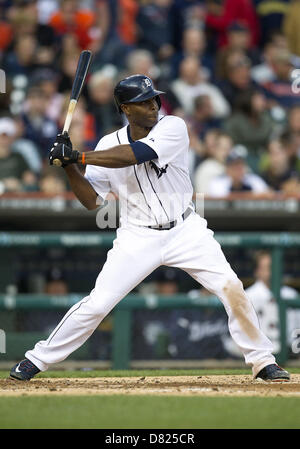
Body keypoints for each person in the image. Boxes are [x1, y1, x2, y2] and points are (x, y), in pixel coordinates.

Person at [10, 74, 290, 382]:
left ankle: (262, 360)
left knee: (231, 286)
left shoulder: (173, 127)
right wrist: (69, 167)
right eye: (143, 102)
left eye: (154, 98)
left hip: (186, 229)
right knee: (98, 303)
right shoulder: (107, 144)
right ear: (126, 109)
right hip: (137, 235)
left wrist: (78, 154)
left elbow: (139, 153)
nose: (153, 105)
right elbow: (91, 201)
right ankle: (36, 360)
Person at [246, 250, 300, 354]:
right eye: (268, 268)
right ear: (257, 271)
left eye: (275, 267)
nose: (273, 271)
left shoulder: (291, 294)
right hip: (258, 353)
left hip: (289, 352)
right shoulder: (248, 296)